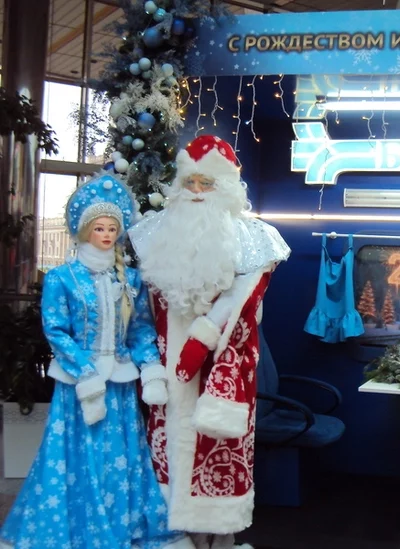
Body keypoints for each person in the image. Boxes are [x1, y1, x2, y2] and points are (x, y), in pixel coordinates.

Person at [0, 174, 193, 549]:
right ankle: (74, 527)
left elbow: (140, 330)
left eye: (112, 228)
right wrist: (85, 372)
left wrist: (151, 368)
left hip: (120, 385)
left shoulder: (131, 280)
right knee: (77, 456)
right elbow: (56, 330)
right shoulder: (62, 278)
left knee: (120, 458)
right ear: (85, 230)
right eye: (99, 228)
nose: (106, 235)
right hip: (79, 386)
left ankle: (120, 523)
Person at [128, 135, 290, 549]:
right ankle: (177, 536)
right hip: (168, 371)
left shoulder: (255, 238)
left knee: (217, 453)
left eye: (207, 183)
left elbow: (243, 300)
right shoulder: (155, 235)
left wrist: (202, 339)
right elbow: (147, 309)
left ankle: (221, 539)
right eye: (191, 183)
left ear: (227, 188)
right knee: (170, 456)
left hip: (223, 367)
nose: (197, 192)